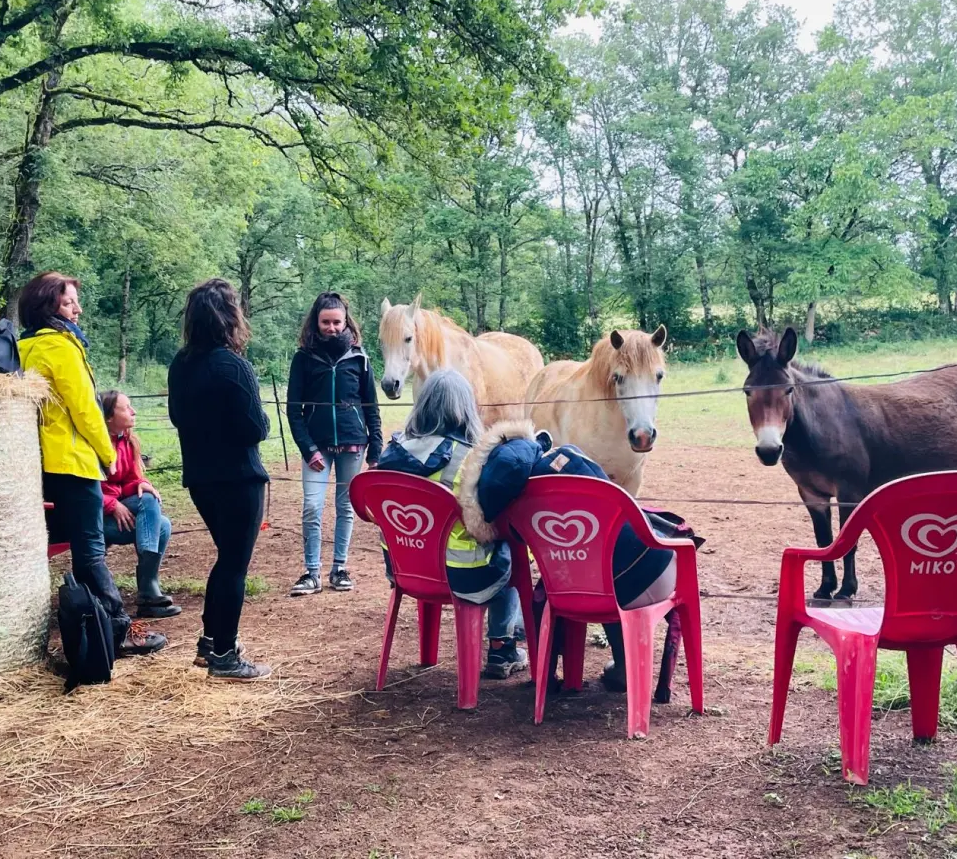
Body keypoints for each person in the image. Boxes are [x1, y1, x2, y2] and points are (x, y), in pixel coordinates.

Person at [457, 419, 703, 700]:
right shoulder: (571, 458)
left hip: (575, 592)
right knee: (612, 557)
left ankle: (597, 669)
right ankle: (626, 666)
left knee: (597, 564)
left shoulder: (515, 507)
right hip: (643, 579)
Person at [18, 272, 166, 657]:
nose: (78, 309)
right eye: (69, 303)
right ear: (49, 306)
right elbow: (85, 409)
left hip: (43, 461)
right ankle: (118, 629)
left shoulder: (25, 345)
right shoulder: (62, 346)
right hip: (74, 460)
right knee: (91, 550)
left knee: (82, 550)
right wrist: (107, 452)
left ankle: (99, 629)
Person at [375, 369, 528, 679]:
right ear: (466, 408)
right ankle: (501, 647)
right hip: (464, 575)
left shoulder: (392, 451)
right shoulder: (473, 460)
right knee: (510, 555)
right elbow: (489, 515)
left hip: (404, 568)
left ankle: (440, 648)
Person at [168, 278, 272, 682]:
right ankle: (225, 654)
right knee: (233, 565)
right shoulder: (234, 366)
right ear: (229, 317)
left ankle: (211, 642)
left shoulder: (181, 364)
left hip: (200, 478)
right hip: (238, 478)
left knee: (226, 561)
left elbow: (179, 418)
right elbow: (256, 428)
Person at [286, 292, 383, 596]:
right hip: (316, 447)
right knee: (312, 507)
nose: (331, 327)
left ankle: (339, 568)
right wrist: (308, 448)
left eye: (336, 322)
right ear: (315, 322)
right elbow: (293, 409)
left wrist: (376, 450)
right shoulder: (303, 358)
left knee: (346, 507)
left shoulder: (359, 357)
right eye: (325, 322)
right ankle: (311, 572)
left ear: (345, 322)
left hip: (353, 445)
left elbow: (371, 406)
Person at [99, 390, 179, 619]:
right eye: (126, 408)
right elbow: (86, 492)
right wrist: (113, 505)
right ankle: (148, 592)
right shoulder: (93, 446)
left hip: (118, 512)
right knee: (156, 518)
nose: (133, 412)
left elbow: (130, 479)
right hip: (95, 518)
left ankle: (148, 591)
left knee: (162, 522)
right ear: (108, 417)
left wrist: (142, 483)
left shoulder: (128, 441)